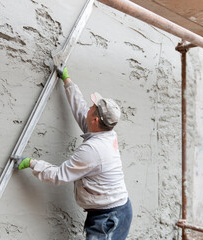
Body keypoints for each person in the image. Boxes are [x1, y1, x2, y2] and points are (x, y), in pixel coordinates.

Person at [12, 67, 132, 240]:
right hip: (113, 211)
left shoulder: (93, 150)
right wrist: (67, 82)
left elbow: (59, 176)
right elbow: (80, 109)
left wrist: (31, 163)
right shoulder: (104, 132)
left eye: (93, 107)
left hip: (109, 218)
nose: (89, 107)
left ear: (96, 120)